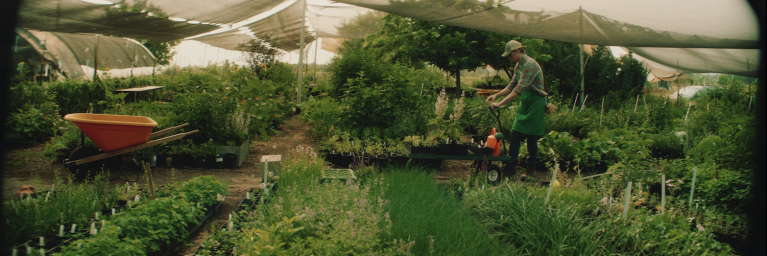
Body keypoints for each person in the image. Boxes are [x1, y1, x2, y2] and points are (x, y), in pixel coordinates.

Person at [485, 40, 547, 179]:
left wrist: (500, 104)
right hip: (525, 102)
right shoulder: (519, 65)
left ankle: (531, 169)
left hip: (535, 102)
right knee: (515, 133)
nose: (509, 58)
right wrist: (496, 95)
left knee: (531, 137)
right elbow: (512, 85)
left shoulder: (530, 65)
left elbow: (519, 89)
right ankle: (511, 166)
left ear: (517, 51)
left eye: (510, 55)